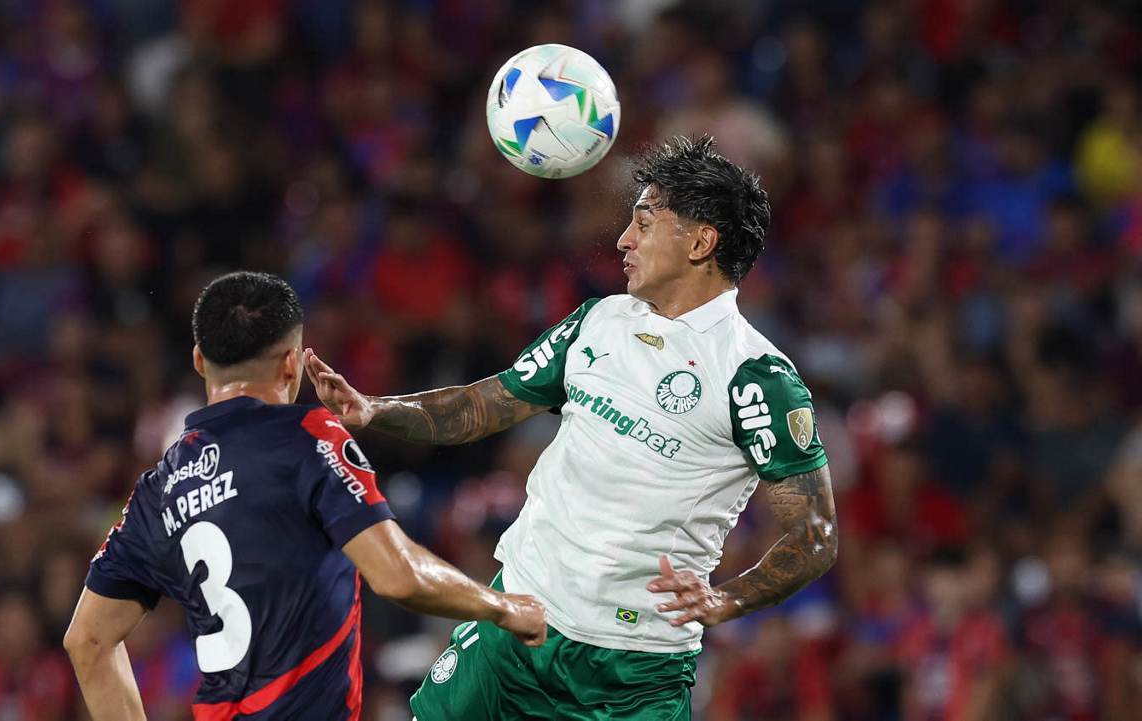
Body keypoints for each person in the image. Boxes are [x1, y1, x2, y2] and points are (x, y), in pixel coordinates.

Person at [307, 136, 839, 719]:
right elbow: (482, 405)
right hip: (515, 623)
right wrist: (375, 409)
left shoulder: (754, 377)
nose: (624, 240)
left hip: (633, 672)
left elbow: (814, 534)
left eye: (644, 223)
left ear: (700, 242)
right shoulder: (599, 321)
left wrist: (726, 599)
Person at [63, 271, 546, 720]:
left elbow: (87, 641)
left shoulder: (158, 488)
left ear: (198, 360)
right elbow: (398, 576)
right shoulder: (307, 438)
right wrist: (504, 607)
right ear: (292, 362)